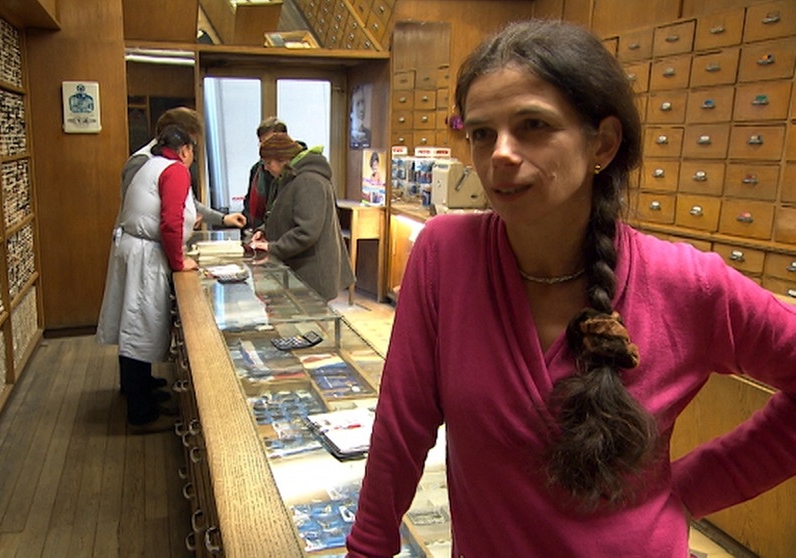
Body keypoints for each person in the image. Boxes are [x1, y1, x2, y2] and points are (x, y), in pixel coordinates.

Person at [347, 19, 796, 557]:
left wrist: (692, 488)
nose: (500, 155)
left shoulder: (686, 283)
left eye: (533, 125)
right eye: (482, 133)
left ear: (602, 143)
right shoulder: (445, 254)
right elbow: (401, 429)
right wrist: (367, 550)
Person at [95, 124, 200, 433]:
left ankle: (137, 387)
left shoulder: (149, 163)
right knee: (140, 323)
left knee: (133, 322)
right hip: (146, 254)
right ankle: (141, 413)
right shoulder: (176, 170)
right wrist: (179, 263)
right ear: (185, 150)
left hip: (134, 248)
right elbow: (171, 222)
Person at [249, 132, 355, 302]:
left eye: (269, 163)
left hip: (312, 273)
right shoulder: (291, 177)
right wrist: (265, 231)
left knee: (312, 327)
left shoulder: (308, 181)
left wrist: (273, 247)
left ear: (283, 160)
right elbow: (284, 214)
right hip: (299, 270)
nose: (266, 168)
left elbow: (307, 231)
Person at [121, 107, 247, 231]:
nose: (189, 150)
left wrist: (223, 219)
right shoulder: (141, 162)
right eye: (189, 142)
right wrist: (185, 220)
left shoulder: (175, 164)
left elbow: (189, 202)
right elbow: (136, 212)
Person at [241, 116, 289, 233]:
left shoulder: (297, 172)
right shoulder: (256, 169)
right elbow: (249, 203)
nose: (265, 148)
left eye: (268, 143)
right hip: (259, 233)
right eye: (262, 143)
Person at [349, 84, 371, 148]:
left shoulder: (368, 133)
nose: (362, 108)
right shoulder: (347, 136)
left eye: (363, 103)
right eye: (358, 104)